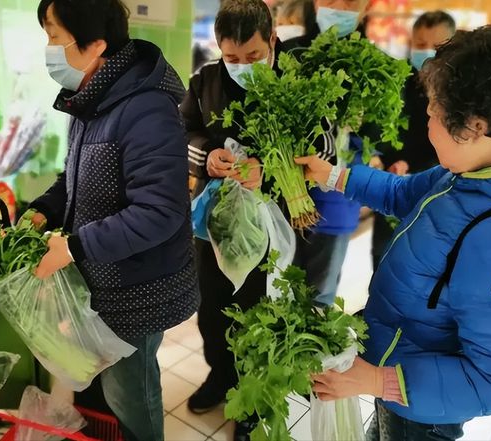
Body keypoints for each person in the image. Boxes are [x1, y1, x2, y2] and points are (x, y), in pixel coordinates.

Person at [297, 25, 491, 441]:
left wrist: (376, 382)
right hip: (398, 372)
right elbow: (404, 192)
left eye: (432, 113)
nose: (426, 123)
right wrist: (334, 175)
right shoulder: (469, 173)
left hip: (426, 411)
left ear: (475, 127)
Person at [26, 1, 199, 439]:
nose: (47, 48)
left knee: (132, 393)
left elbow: (159, 212)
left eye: (53, 36)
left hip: (139, 289)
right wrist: (43, 210)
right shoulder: (92, 97)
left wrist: (74, 247)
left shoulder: (146, 109)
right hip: (104, 282)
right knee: (106, 388)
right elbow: (78, 176)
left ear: (96, 44)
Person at [181, 1, 276, 438]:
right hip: (215, 222)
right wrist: (207, 156)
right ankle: (220, 377)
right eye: (232, 58)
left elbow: (325, 148)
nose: (242, 66)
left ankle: (253, 398)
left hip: (273, 221)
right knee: (212, 308)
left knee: (259, 312)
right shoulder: (204, 81)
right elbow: (183, 133)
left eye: (254, 57)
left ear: (272, 41)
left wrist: (271, 167)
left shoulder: (296, 81)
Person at [281, 0, 370, 307]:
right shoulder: (290, 53)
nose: (338, 7)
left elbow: (382, 139)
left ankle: (309, 354)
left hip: (336, 200)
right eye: (330, 0)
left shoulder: (370, 63)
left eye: (349, 2)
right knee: (279, 294)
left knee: (318, 300)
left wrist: (362, 127)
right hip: (285, 201)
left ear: (365, 8)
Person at [370, 10, 456, 270]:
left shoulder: (457, 92)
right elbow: (381, 129)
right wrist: (383, 157)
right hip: (393, 179)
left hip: (438, 184)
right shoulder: (396, 80)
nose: (427, 52)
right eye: (420, 45)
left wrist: (418, 167)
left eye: (436, 46)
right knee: (384, 253)